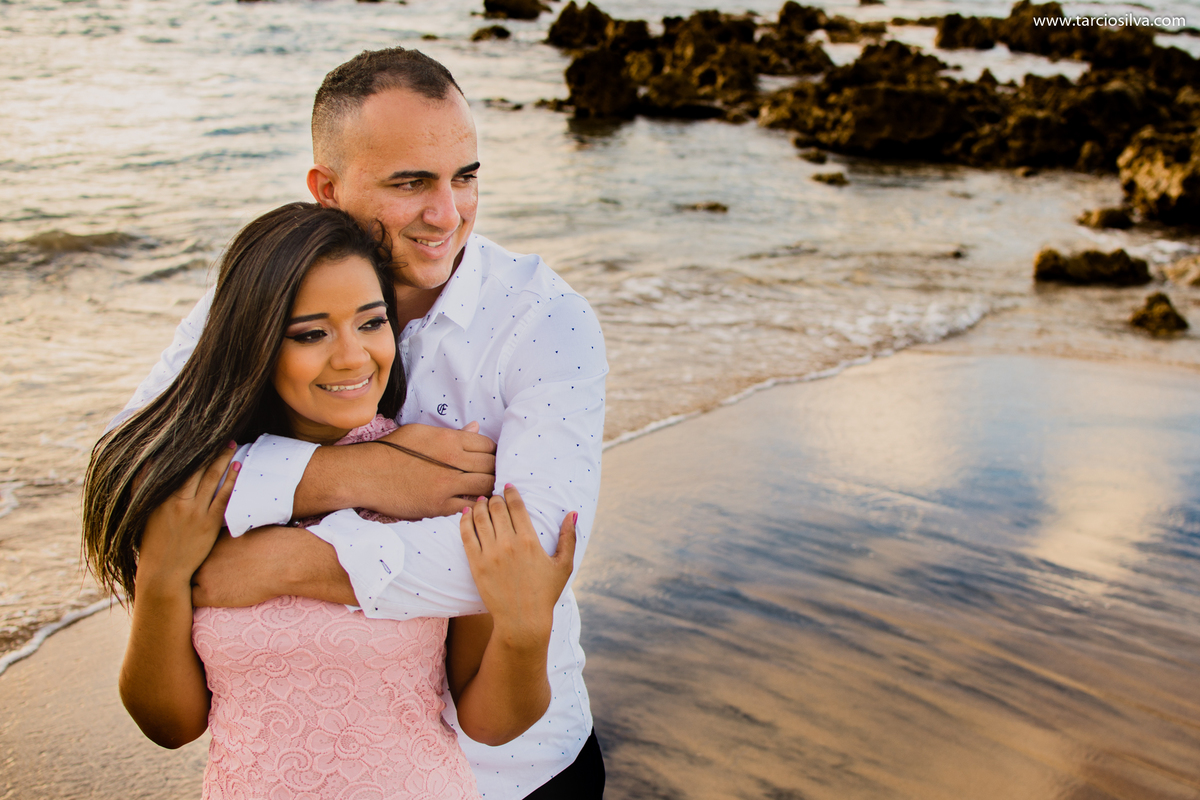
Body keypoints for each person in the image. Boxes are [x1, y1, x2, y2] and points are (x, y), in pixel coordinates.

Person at [116, 48, 608, 799]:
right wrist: (353, 474)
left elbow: (531, 547)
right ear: (326, 189)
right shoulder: (261, 299)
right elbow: (132, 479)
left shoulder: (545, 318)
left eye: (465, 177)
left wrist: (270, 562)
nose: (447, 214)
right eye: (410, 183)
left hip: (519, 769)